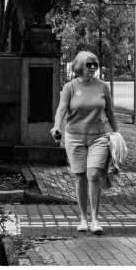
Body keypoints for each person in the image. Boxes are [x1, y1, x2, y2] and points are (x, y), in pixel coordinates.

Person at [51, 50, 119, 235]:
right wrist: (57, 126)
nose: (93, 68)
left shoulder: (103, 86)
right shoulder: (70, 87)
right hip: (75, 136)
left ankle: (95, 219)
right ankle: (83, 218)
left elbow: (110, 111)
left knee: (94, 175)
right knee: (80, 177)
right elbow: (62, 109)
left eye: (95, 64)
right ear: (80, 66)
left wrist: (117, 134)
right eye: (89, 64)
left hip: (99, 136)